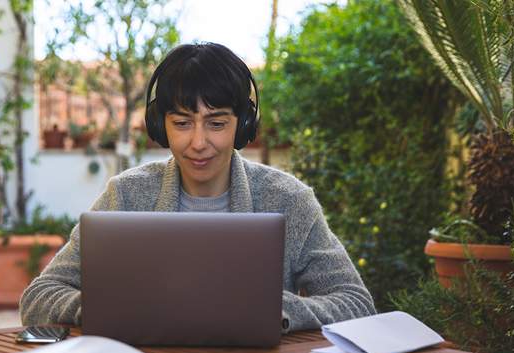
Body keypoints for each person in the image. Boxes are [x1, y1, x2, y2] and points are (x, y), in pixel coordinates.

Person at [20, 42, 375, 332]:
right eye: (182, 123)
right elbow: (39, 296)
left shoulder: (289, 199)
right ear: (161, 126)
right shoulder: (126, 195)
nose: (199, 142)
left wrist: (275, 310)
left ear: (244, 125)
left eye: (216, 123)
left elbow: (356, 302)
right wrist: (103, 308)